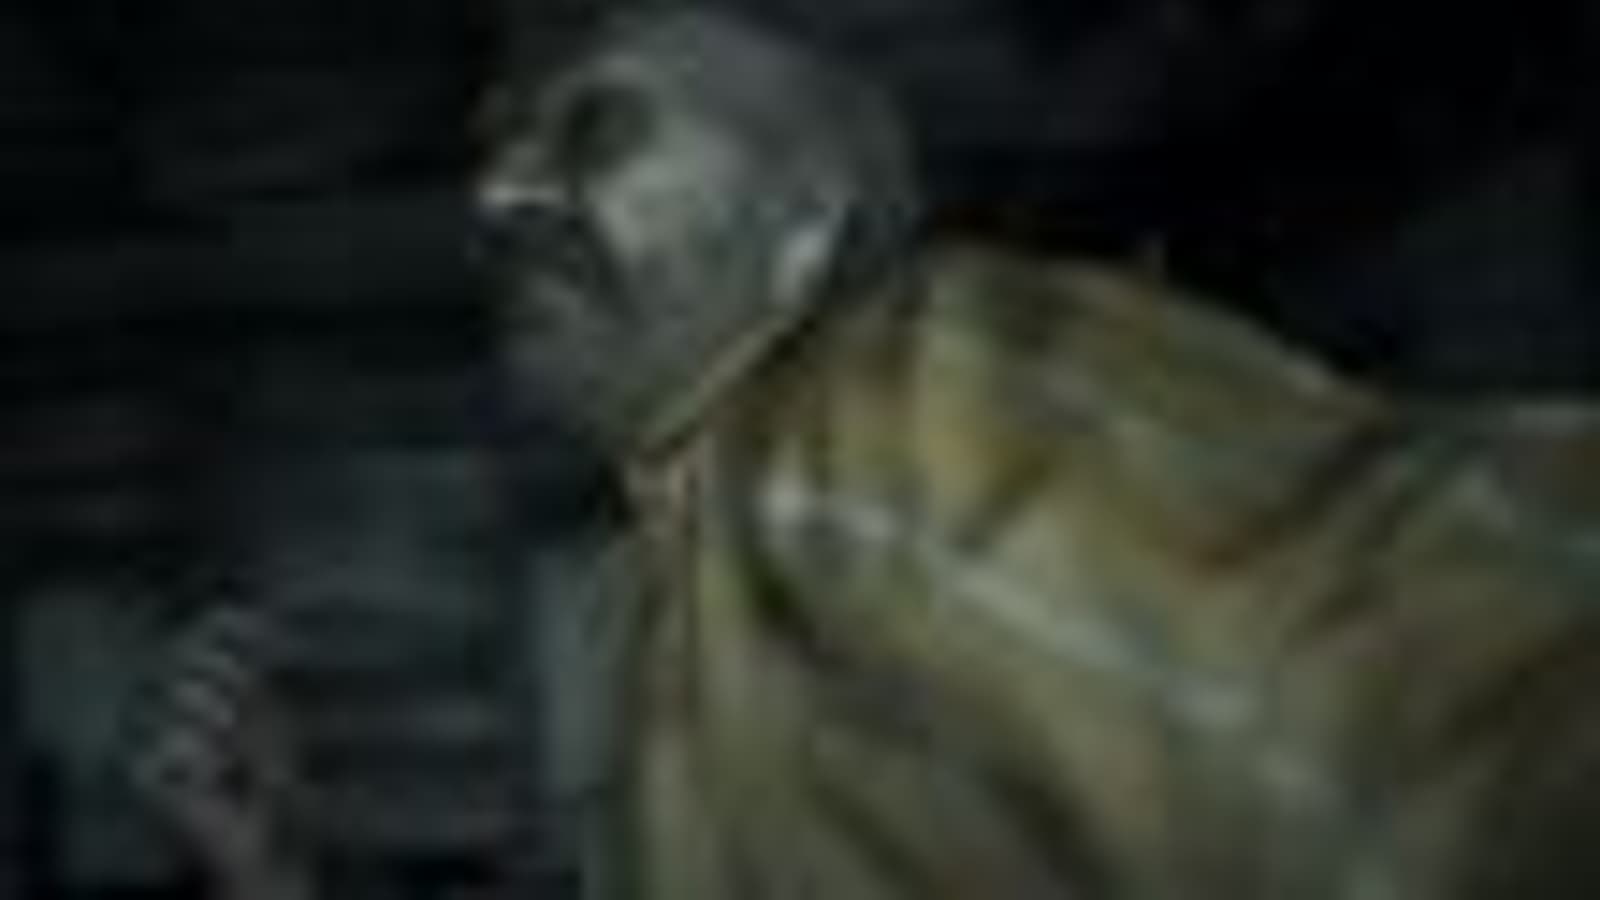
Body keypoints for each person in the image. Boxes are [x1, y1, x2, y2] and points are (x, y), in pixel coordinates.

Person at [479, 10, 1600, 898]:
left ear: (806, 221)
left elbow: (1441, 714)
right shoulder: (673, 555)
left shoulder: (893, 385)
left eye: (596, 130)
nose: (498, 192)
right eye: (500, 143)